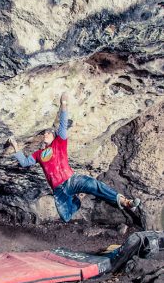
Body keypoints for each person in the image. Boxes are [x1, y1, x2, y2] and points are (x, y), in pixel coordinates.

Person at [8, 92, 140, 223]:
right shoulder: (38, 154)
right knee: (65, 217)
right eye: (44, 133)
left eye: (49, 133)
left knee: (94, 185)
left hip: (72, 180)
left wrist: (64, 104)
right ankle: (77, 201)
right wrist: (15, 146)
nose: (46, 134)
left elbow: (63, 125)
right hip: (59, 190)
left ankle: (125, 202)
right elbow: (24, 163)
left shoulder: (59, 143)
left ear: (54, 136)